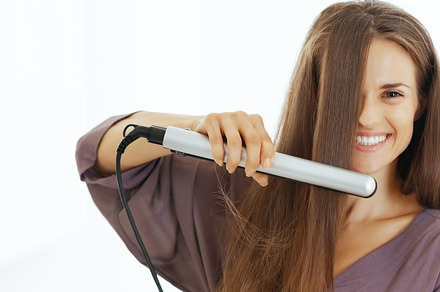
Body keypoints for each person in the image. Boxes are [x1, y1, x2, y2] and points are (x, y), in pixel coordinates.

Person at [76, 1, 440, 291]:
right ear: (316, 97)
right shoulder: (249, 188)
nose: (366, 117)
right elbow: (104, 156)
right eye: (343, 94)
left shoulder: (432, 249)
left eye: (392, 94)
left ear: (421, 102)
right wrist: (194, 128)